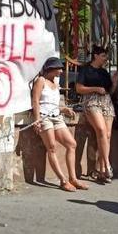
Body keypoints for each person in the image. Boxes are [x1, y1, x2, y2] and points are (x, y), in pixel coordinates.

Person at [31, 57, 87, 192]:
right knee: (52, 147)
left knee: (71, 144)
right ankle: (63, 180)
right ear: (51, 69)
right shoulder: (41, 81)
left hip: (57, 117)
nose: (61, 71)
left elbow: (53, 104)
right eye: (59, 68)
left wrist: (64, 109)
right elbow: (36, 101)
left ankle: (73, 178)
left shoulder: (55, 83)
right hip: (45, 118)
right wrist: (37, 119)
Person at [75, 45, 115, 184]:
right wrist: (95, 88)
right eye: (103, 56)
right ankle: (107, 164)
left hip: (106, 102)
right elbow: (79, 88)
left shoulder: (104, 72)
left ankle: (101, 168)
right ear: (96, 56)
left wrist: (114, 82)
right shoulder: (86, 70)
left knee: (107, 135)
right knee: (101, 130)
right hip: (91, 100)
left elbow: (110, 90)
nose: (105, 58)